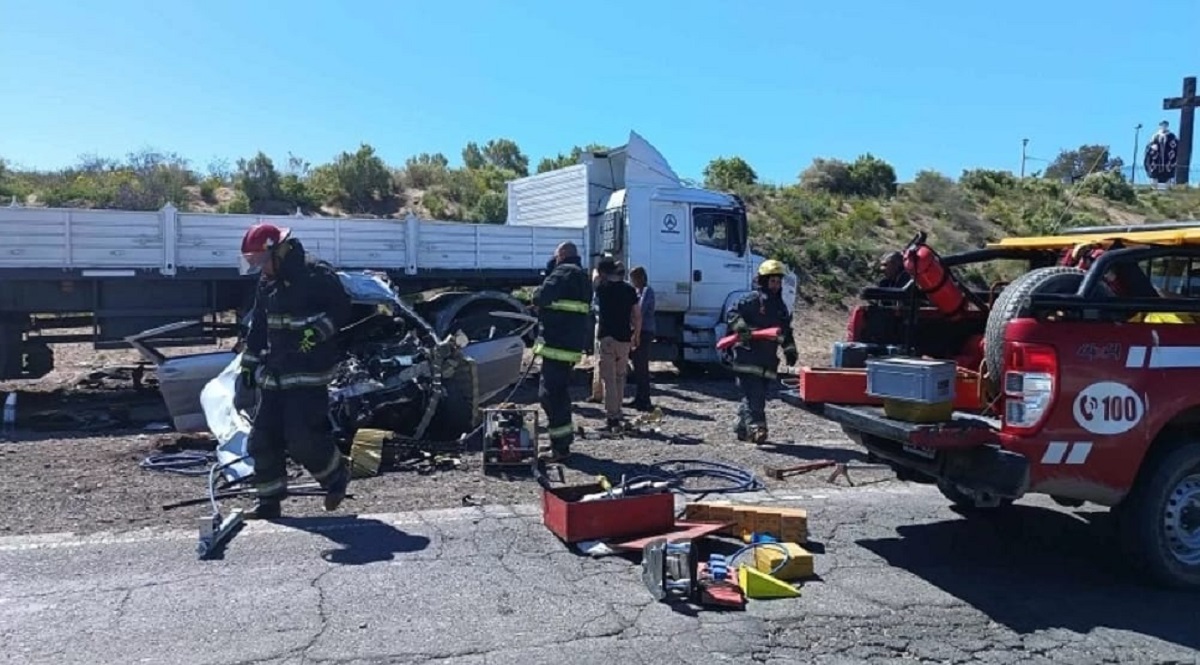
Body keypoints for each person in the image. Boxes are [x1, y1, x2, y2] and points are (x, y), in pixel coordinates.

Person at [237, 223, 354, 519]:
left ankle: (336, 474)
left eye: (261, 262)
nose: (260, 270)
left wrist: (316, 333)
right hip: (275, 372)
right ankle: (269, 503)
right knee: (262, 439)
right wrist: (249, 364)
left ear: (279, 251)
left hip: (308, 372)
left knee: (302, 439)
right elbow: (259, 325)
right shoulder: (267, 281)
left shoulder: (316, 274)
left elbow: (342, 310)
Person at [724, 259, 797, 444]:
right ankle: (758, 428)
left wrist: (790, 350)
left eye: (778, 281)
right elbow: (732, 314)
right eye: (772, 281)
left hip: (767, 361)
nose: (776, 285)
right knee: (754, 395)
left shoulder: (780, 307)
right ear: (764, 281)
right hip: (747, 358)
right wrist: (743, 331)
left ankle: (742, 427)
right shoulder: (751, 300)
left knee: (756, 394)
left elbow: (785, 331)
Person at [532, 241, 593, 462]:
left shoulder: (562, 272)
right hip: (569, 345)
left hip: (556, 345)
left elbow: (539, 296)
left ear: (563, 255)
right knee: (558, 395)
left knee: (550, 396)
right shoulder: (582, 276)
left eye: (556, 256)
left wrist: (549, 272)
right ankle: (561, 443)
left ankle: (560, 447)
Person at [594, 258, 641, 430]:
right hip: (624, 338)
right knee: (621, 376)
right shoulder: (629, 290)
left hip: (607, 338)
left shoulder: (603, 288)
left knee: (609, 378)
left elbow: (595, 278)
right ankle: (618, 410)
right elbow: (637, 314)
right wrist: (636, 334)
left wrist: (598, 270)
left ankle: (612, 415)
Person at [626, 265, 656, 411]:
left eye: (634, 279)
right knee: (637, 366)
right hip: (637, 330)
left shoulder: (647, 291)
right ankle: (639, 397)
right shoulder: (637, 291)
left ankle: (645, 399)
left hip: (644, 331)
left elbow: (641, 310)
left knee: (642, 366)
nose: (633, 282)